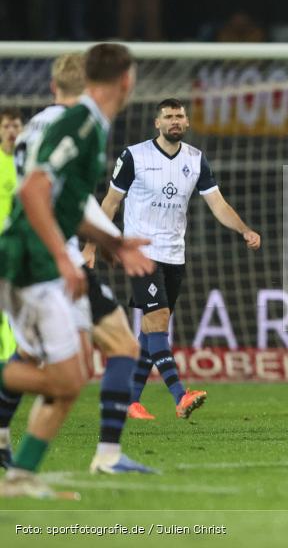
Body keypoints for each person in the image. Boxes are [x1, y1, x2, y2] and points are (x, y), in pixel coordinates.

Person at [0, 43, 155, 498]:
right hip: (34, 258)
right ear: (126, 80)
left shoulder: (86, 125)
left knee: (69, 374)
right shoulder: (81, 124)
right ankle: (99, 457)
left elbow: (62, 202)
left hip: (43, 255)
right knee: (70, 374)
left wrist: (112, 241)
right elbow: (33, 191)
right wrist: (66, 257)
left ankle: (21, 474)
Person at [85, 98, 261, 421]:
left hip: (174, 254)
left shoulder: (195, 160)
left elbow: (218, 205)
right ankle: (180, 395)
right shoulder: (134, 156)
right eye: (168, 116)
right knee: (158, 321)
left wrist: (244, 229)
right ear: (157, 123)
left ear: (187, 122)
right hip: (140, 253)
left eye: (180, 116)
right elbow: (110, 203)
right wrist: (92, 246)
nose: (175, 121)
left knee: (153, 330)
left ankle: (131, 400)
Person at [0, 108, 23, 363]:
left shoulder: (28, 165)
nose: (11, 131)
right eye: (6, 126)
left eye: (15, 126)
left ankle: (12, 363)